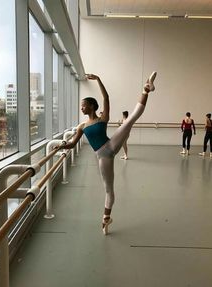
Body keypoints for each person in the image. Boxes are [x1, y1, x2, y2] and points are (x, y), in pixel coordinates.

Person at [56, 72, 157, 235]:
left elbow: (106, 98)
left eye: (84, 105)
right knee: (108, 189)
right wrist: (60, 146)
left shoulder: (103, 118)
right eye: (81, 106)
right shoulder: (82, 126)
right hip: (103, 157)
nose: (81, 107)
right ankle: (106, 218)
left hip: (111, 144)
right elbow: (72, 144)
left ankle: (146, 90)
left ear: (91, 106)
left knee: (130, 120)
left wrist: (99, 80)